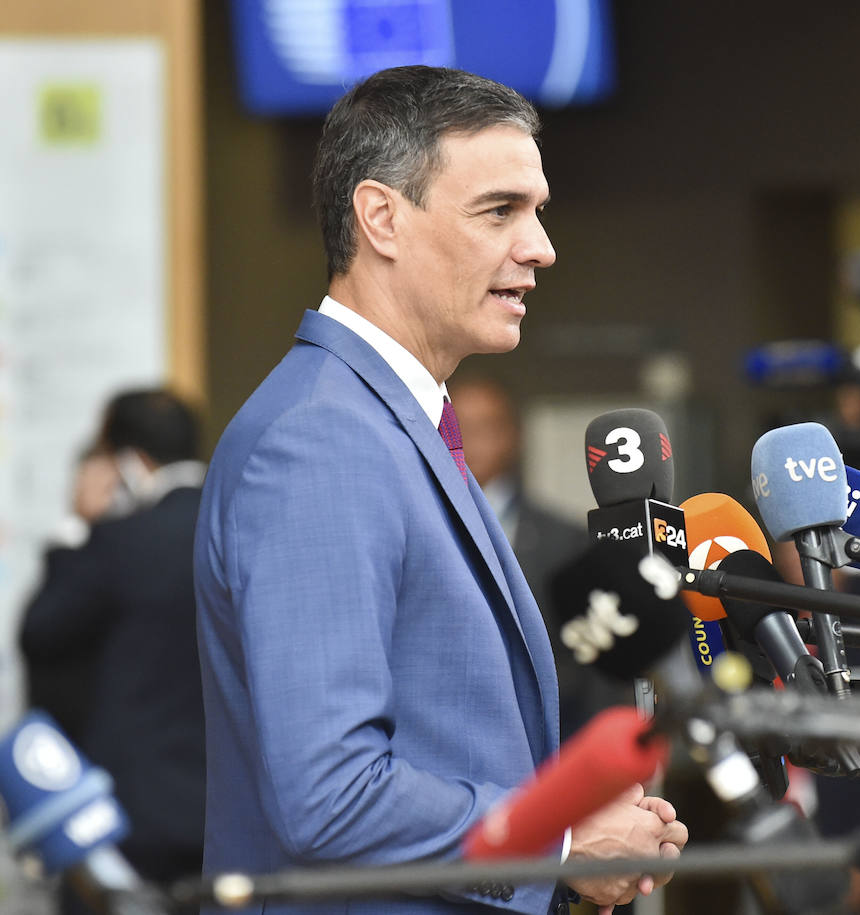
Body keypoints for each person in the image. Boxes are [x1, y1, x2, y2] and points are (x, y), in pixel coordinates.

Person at [194, 66, 686, 915]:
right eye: (500, 210)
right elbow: (332, 793)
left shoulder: (387, 421)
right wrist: (562, 845)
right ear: (380, 217)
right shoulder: (320, 441)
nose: (541, 246)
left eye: (537, 211)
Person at [21, 388, 207, 902]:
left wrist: (76, 528)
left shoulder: (120, 541)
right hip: (227, 816)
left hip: (129, 822)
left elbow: (41, 634)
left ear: (128, 461)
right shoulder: (240, 525)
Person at [447, 376, 629, 739]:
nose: (474, 442)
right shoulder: (420, 526)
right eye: (459, 429)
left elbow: (597, 665)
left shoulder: (568, 539)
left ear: (512, 435)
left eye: (486, 428)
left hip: (553, 737)